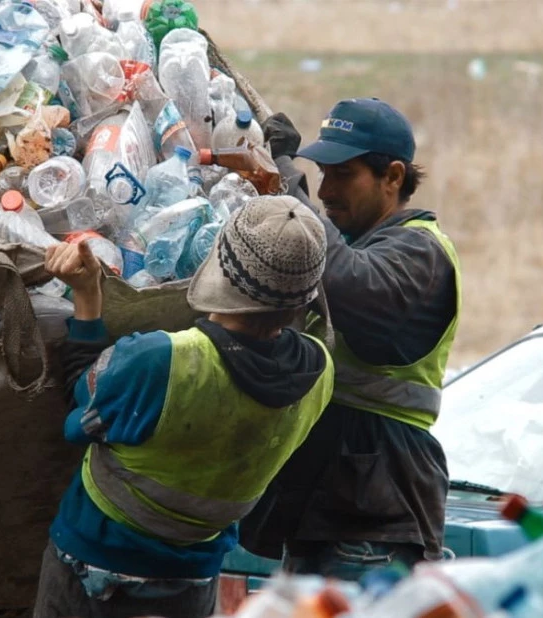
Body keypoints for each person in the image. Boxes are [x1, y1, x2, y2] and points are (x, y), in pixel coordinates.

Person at [33, 195, 335, 618]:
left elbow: (79, 398)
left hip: (95, 569)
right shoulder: (320, 371)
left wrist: (86, 295)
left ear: (218, 268)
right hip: (193, 581)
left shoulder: (161, 360)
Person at [239, 98, 462, 579]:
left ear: (393, 177)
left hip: (376, 516)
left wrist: (286, 183)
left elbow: (345, 280)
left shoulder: (420, 251)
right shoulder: (357, 243)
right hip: (327, 509)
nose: (326, 191)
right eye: (322, 174)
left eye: (343, 175)